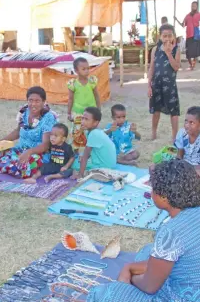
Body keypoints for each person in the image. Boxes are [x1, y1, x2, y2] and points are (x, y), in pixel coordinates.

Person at [87, 159, 200, 302]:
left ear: (163, 197)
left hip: (183, 296)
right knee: (147, 251)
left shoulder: (170, 233)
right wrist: (130, 267)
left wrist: (132, 277)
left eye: (153, 189)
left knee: (106, 293)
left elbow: (150, 287)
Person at [0, 86, 57, 178]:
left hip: (38, 153)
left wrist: (29, 152)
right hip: (20, 149)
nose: (33, 104)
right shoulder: (24, 112)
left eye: (37, 101)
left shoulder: (48, 117)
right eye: (30, 100)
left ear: (44, 102)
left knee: (24, 166)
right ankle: (4, 164)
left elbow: (45, 145)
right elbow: (18, 131)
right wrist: (0, 142)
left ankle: (4, 165)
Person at [148, 24, 181, 142]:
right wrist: (149, 85)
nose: (167, 38)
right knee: (156, 110)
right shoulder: (155, 50)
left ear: (174, 36)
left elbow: (176, 67)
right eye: (164, 36)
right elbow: (151, 67)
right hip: (156, 84)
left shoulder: (176, 50)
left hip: (170, 86)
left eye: (170, 36)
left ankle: (175, 136)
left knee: (174, 111)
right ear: (160, 37)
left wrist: (168, 53)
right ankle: (153, 132)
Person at [67, 57, 101, 154]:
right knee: (77, 132)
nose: (87, 71)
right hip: (78, 113)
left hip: (92, 113)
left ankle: (93, 152)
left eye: (88, 68)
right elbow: (70, 99)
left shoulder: (92, 81)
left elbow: (96, 95)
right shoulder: (72, 84)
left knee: (92, 132)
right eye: (83, 69)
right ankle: (75, 153)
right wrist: (69, 113)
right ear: (76, 71)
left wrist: (99, 109)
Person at [72, 107, 116, 179]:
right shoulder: (94, 131)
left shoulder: (94, 134)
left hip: (105, 166)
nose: (82, 121)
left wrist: (80, 175)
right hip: (110, 163)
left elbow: (85, 157)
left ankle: (83, 173)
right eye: (82, 118)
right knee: (79, 159)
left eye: (86, 119)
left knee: (74, 164)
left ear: (95, 122)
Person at [175, 1, 200, 70]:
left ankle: (193, 65)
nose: (193, 7)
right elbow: (183, 25)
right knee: (188, 52)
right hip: (188, 35)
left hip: (196, 35)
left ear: (197, 6)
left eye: (194, 5)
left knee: (195, 52)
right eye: (192, 5)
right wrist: (176, 20)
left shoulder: (198, 14)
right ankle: (191, 64)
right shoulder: (187, 15)